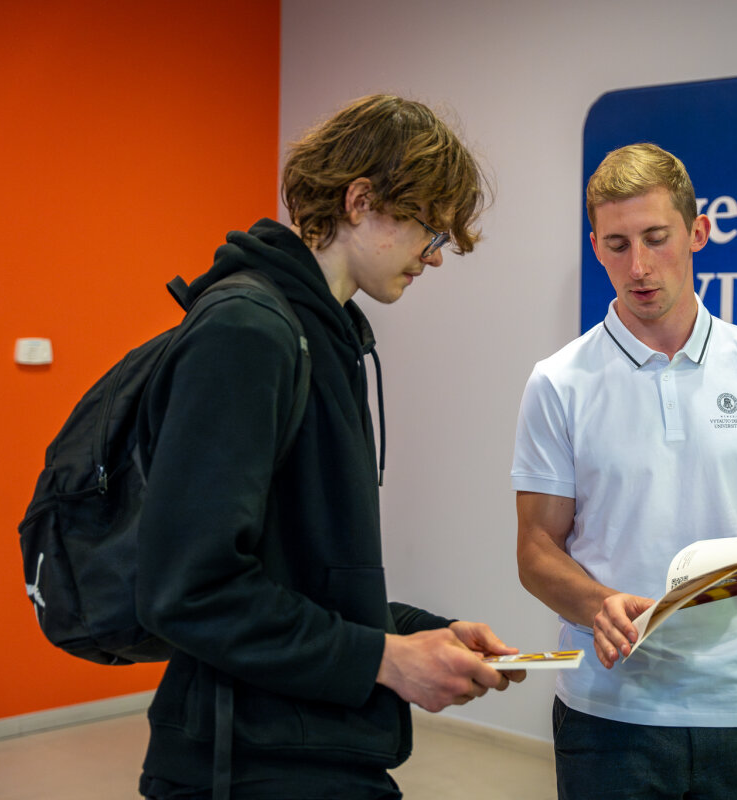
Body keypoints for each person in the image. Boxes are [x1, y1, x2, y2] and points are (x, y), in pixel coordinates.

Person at [134, 94, 523, 800]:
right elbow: (188, 591)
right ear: (360, 200)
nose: (435, 257)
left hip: (316, 745)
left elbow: (299, 574)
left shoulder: (327, 336)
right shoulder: (246, 333)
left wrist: (419, 635)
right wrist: (384, 658)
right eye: (429, 229)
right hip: (243, 765)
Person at [512, 143, 737, 799]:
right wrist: (598, 605)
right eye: (618, 244)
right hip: (610, 711)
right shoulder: (558, 382)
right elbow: (536, 549)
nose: (639, 267)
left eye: (656, 238)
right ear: (595, 248)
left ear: (697, 232)